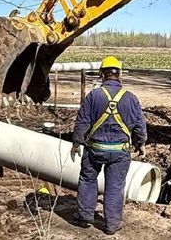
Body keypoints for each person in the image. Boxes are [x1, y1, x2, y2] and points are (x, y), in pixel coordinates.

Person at [70, 56, 147, 235]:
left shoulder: (93, 96)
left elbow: (82, 122)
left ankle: (85, 217)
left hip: (95, 149)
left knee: (88, 180)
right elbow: (139, 125)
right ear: (119, 74)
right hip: (120, 152)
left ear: (101, 74)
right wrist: (140, 143)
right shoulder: (131, 98)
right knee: (115, 186)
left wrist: (76, 142)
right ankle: (112, 225)